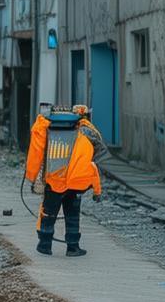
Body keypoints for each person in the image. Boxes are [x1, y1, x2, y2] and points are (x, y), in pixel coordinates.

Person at [24, 105, 111, 257]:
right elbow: (99, 154)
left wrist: (32, 176)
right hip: (76, 182)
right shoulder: (86, 131)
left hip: (54, 179)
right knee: (72, 214)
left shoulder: (45, 128)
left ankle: (44, 245)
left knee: (48, 213)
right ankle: (73, 247)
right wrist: (97, 190)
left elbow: (36, 152)